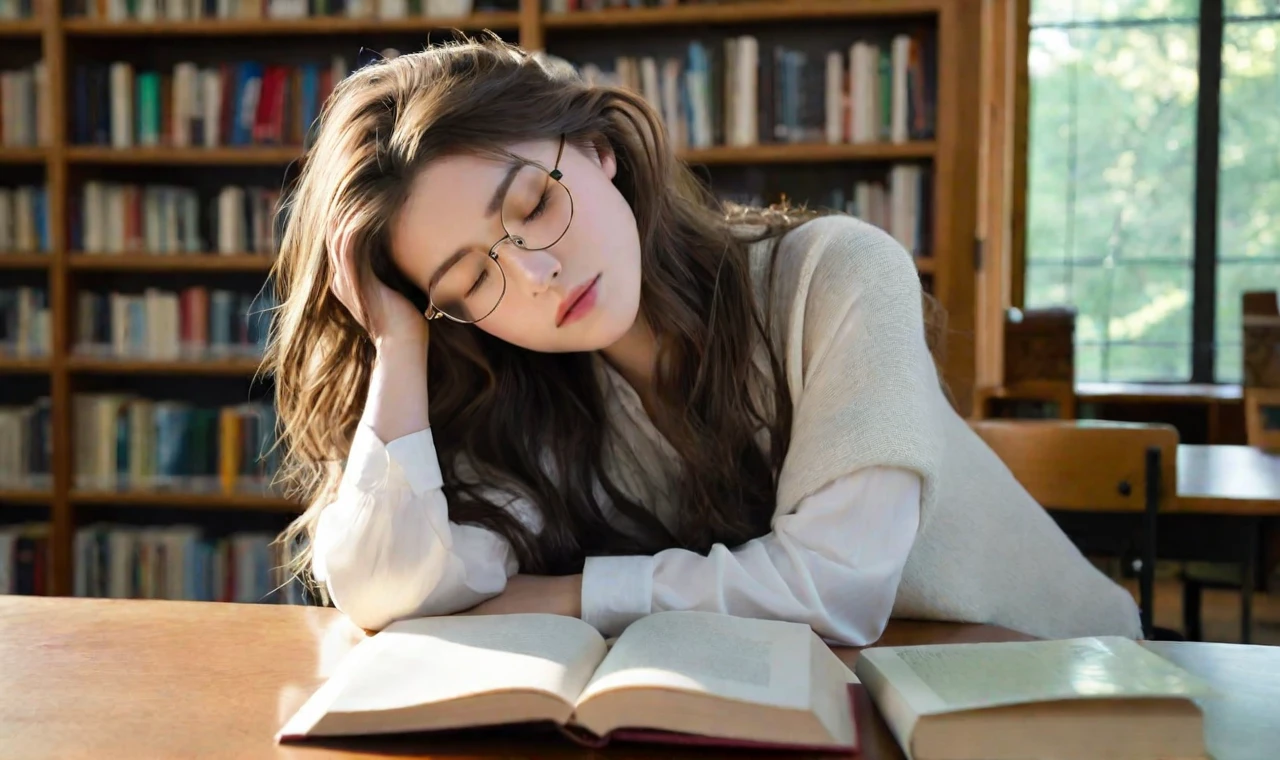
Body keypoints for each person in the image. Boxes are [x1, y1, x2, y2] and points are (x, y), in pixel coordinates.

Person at [266, 36, 1141, 645]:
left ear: (599, 146)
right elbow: (388, 592)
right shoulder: (531, 398)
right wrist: (398, 343)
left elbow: (835, 587)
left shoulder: (837, 275)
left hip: (1067, 683)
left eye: (532, 204)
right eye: (472, 281)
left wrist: (562, 597)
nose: (535, 276)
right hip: (862, 698)